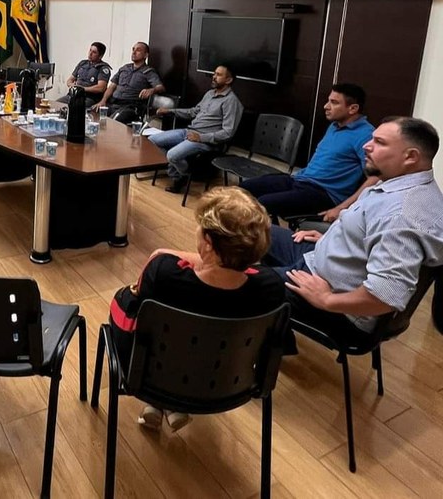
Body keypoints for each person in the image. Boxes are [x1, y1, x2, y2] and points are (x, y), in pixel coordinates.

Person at [109, 187, 286, 431]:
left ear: (209, 243)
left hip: (150, 377)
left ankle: (159, 401)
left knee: (128, 307)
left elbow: (131, 316)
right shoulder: (271, 288)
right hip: (224, 382)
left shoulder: (165, 273)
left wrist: (129, 291)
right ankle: (173, 405)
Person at [265, 117, 443, 349]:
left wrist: (326, 300)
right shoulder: (406, 186)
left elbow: (385, 295)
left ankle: (267, 341)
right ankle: (275, 330)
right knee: (257, 234)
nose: (366, 146)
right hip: (328, 261)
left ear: (410, 157)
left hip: (339, 306)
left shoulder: (401, 214)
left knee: (246, 283)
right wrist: (336, 238)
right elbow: (372, 234)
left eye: (379, 142)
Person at [241, 83, 375, 222]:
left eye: (334, 102)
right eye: (328, 100)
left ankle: (264, 239)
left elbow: (374, 178)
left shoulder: (366, 135)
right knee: (245, 189)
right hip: (300, 180)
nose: (326, 106)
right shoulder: (335, 126)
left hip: (323, 193)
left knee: (263, 203)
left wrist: (341, 208)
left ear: (353, 108)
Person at [149, 65, 243, 193]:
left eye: (219, 75)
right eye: (214, 73)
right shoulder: (210, 94)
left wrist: (201, 137)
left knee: (172, 155)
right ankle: (179, 172)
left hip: (205, 141)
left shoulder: (232, 102)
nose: (214, 77)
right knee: (151, 141)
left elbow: (228, 133)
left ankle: (182, 176)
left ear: (229, 80)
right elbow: (193, 112)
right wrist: (170, 111)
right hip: (189, 131)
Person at [92, 42, 164, 124]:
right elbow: (112, 86)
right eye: (133, 49)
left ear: (145, 55)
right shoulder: (124, 68)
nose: (133, 52)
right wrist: (103, 101)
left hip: (130, 107)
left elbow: (160, 87)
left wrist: (152, 90)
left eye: (138, 50)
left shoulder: (149, 72)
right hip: (113, 103)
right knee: (91, 114)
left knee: (111, 122)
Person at [56, 42, 112, 107]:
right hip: (73, 95)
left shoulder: (103, 68)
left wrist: (82, 89)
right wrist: (71, 84)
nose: (90, 53)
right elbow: (70, 80)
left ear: (100, 56)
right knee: (57, 105)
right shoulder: (83, 63)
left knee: (75, 108)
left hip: (89, 98)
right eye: (90, 50)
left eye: (94, 52)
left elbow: (101, 88)